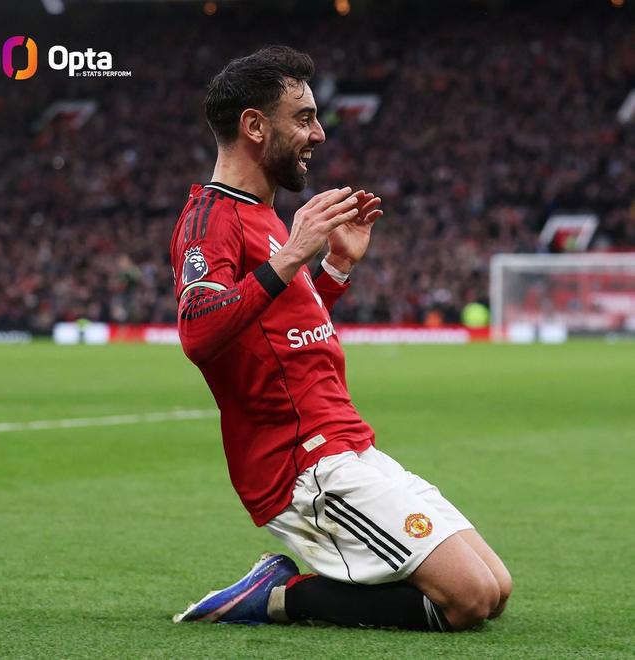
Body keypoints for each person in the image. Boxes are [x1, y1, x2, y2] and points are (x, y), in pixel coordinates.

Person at [170, 45, 511, 631]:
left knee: (496, 589)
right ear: (254, 126)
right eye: (303, 118)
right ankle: (279, 597)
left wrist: (334, 270)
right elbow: (198, 331)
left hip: (347, 442)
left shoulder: (270, 219)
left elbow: (283, 333)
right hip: (302, 463)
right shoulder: (210, 218)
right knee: (467, 600)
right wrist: (293, 256)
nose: (319, 134)